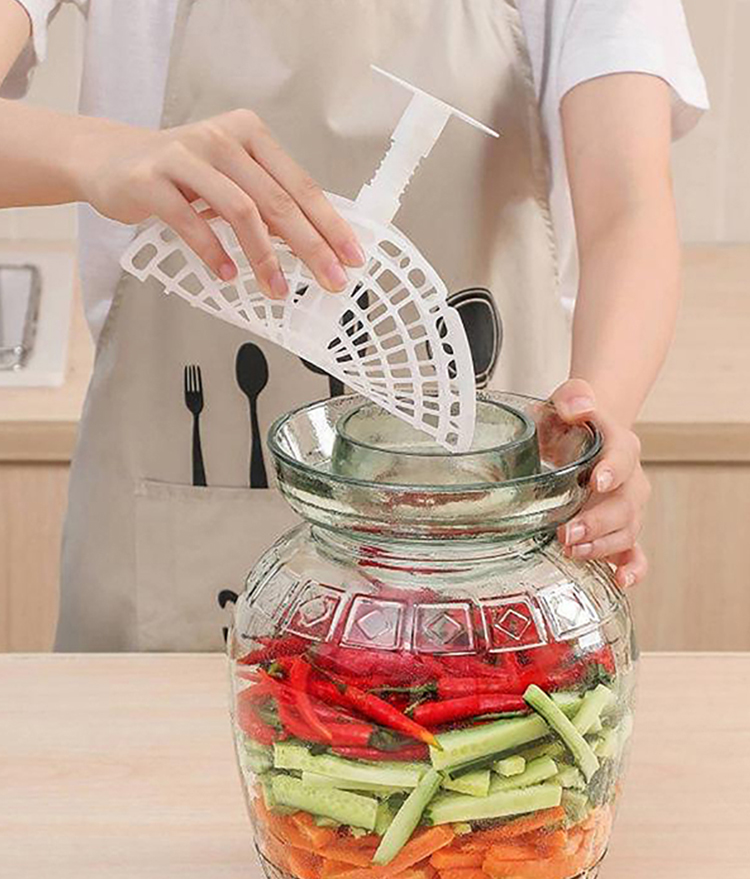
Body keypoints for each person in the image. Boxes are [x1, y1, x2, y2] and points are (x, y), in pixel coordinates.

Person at [0, 0, 707, 652]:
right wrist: (94, 152)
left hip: (478, 547)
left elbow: (627, 207)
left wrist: (597, 419)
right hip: (157, 582)